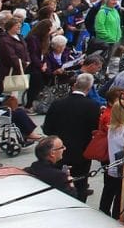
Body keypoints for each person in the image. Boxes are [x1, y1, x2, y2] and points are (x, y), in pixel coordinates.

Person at [42, 70, 102, 201]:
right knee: (80, 185)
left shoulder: (57, 103)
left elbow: (47, 129)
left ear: (75, 84)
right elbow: (95, 130)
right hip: (81, 152)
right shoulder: (93, 106)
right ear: (89, 88)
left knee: (57, 184)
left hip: (57, 151)